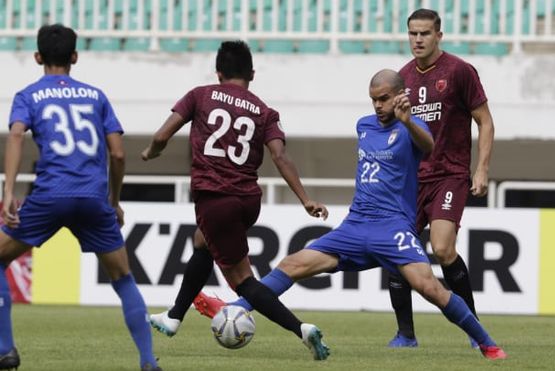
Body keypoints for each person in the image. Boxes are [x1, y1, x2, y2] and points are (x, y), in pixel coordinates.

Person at [193, 69, 506, 360]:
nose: (378, 106)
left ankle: (487, 343)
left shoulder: (413, 127)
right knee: (292, 264)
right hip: (355, 227)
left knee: (431, 289)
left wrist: (408, 120)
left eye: (383, 99)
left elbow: (428, 145)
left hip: (392, 228)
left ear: (400, 95)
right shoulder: (364, 125)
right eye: (373, 99)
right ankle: (233, 309)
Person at [141, 40, 331, 360]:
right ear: (252, 74)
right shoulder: (265, 111)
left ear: (218, 73)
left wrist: (151, 152)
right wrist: (305, 199)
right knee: (202, 242)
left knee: (242, 282)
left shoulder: (200, 95)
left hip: (216, 199)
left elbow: (162, 136)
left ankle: (302, 329)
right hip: (247, 200)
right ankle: (174, 316)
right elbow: (280, 156)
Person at [0, 25, 160, 371]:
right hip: (92, 198)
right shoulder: (96, 96)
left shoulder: (28, 95)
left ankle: (5, 350)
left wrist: (8, 191)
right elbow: (117, 155)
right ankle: (148, 361)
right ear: (75, 57)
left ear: (37, 57)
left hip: (49, 196)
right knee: (123, 277)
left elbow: (15, 136)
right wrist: (113, 201)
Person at [383, 8, 496, 348]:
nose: (418, 39)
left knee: (443, 248)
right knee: (396, 251)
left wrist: (482, 168)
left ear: (438, 35)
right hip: (411, 180)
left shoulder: (459, 72)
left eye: (425, 33)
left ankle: (475, 331)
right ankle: (405, 335)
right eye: (413, 33)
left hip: (449, 174)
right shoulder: (401, 77)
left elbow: (485, 121)